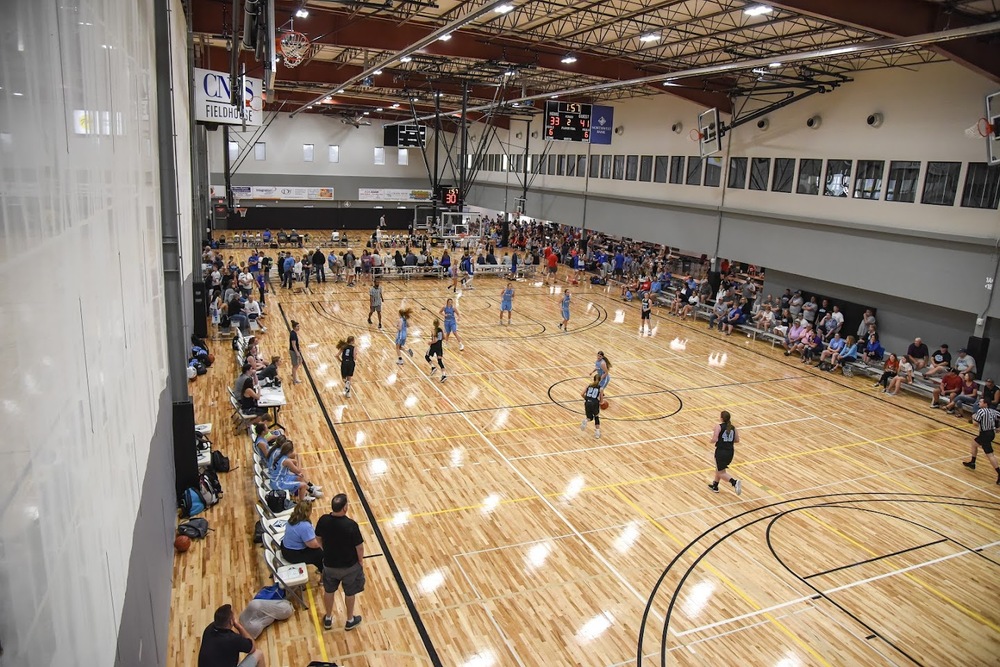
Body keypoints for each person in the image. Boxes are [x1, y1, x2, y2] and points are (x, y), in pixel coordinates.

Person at [316, 494, 366, 632]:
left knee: (329, 591)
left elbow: (318, 538)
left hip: (330, 565)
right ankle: (350, 620)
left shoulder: (323, 520)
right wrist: (360, 561)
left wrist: (325, 550)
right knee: (350, 593)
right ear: (345, 508)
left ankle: (328, 617)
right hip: (349, 567)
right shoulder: (351, 525)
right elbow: (359, 547)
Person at [197, 604, 266, 667]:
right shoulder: (233, 639)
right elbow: (252, 647)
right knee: (258, 654)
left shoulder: (208, 629)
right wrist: (238, 626)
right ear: (231, 622)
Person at [280, 500, 324, 574]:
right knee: (321, 554)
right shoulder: (304, 526)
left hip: (285, 547)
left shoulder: (292, 519)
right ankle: (323, 576)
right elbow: (313, 545)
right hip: (293, 554)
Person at [963, 399, 1000, 485]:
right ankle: (972, 462)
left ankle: (999, 472)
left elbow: (975, 424)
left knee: (990, 454)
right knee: (974, 444)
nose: (979, 403)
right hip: (991, 433)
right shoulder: (993, 411)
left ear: (985, 404)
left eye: (980, 402)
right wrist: (998, 428)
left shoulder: (981, 411)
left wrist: (973, 418)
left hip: (985, 434)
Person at [708, 410, 742, 495]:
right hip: (730, 451)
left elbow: (715, 439)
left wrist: (710, 441)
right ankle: (715, 485)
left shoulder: (718, 427)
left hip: (721, 452)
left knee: (721, 472)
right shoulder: (733, 427)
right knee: (719, 469)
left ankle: (734, 482)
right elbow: (737, 440)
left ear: (721, 418)